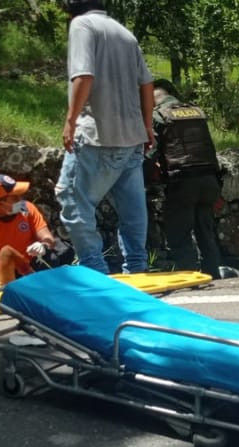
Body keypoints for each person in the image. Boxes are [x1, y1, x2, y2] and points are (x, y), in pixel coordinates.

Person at [55, 0, 154, 274]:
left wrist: (70, 120)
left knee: (72, 198)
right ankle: (136, 266)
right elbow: (146, 83)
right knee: (132, 208)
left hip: (97, 135)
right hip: (132, 138)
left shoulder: (82, 25)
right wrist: (147, 125)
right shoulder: (124, 33)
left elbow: (83, 76)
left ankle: (94, 269)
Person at [149, 79, 222, 278]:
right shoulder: (196, 112)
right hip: (209, 180)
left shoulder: (158, 115)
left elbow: (150, 152)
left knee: (179, 234)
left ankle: (189, 276)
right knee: (206, 232)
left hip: (181, 180)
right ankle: (213, 274)